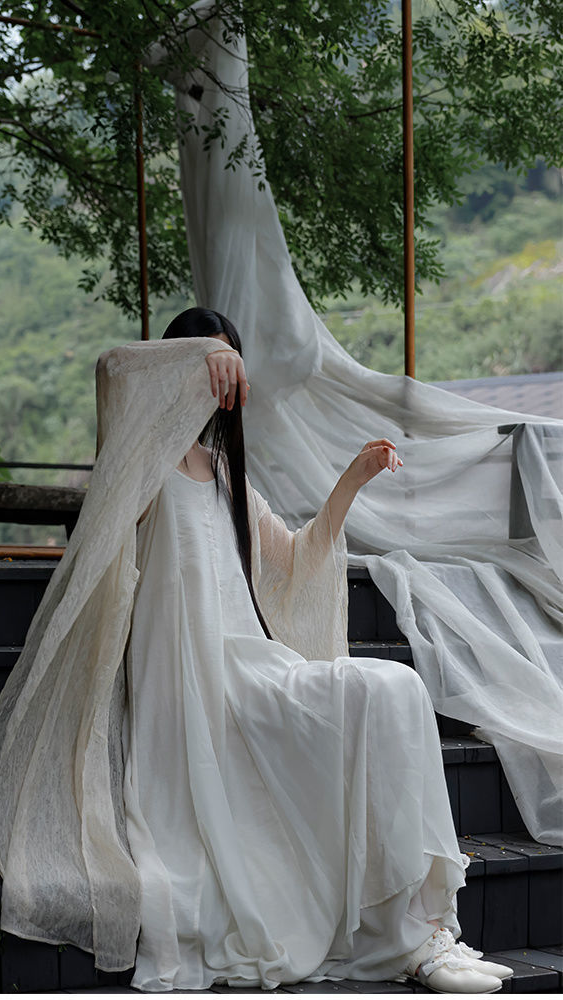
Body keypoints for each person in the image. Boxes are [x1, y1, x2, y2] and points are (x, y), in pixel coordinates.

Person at [118, 306, 514, 994]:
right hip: (193, 685)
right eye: (209, 363)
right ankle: (412, 943)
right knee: (382, 693)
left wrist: (353, 478)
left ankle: (422, 931)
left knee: (395, 687)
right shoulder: (142, 464)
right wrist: (195, 357)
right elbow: (112, 372)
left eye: (228, 364)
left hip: (253, 666)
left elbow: (296, 560)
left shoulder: (225, 474)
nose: (221, 379)